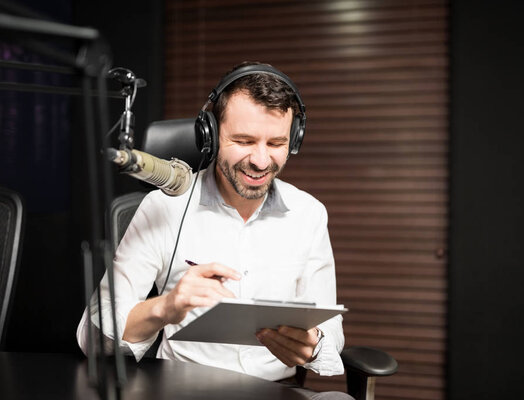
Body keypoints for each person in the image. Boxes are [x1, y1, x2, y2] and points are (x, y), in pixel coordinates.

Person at [77, 62, 352, 399]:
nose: (262, 161)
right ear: (208, 134)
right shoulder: (163, 206)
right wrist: (166, 307)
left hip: (277, 390)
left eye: (276, 143)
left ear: (294, 139)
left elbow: (330, 330)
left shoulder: (308, 213)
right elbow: (92, 337)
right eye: (244, 140)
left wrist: (312, 347)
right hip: (182, 386)